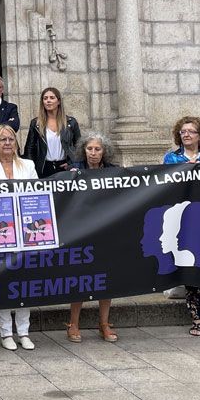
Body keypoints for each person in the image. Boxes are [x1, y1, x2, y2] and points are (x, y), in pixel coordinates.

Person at [162, 115, 200, 337]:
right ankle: (196, 318)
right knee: (189, 267)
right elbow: (166, 185)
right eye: (182, 132)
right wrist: (184, 170)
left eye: (190, 131)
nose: (186, 135)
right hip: (184, 219)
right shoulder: (171, 157)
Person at [0, 124, 37, 350]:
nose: (8, 143)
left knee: (24, 280)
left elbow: (36, 196)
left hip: (25, 230)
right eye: (3, 140)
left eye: (11, 139)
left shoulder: (28, 165)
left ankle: (24, 331)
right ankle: (6, 333)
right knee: (3, 280)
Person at [65, 132, 118, 343]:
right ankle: (73, 324)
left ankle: (104, 323)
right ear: (83, 150)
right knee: (80, 277)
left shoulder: (115, 172)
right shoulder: (74, 170)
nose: (93, 153)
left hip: (107, 232)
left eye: (98, 149)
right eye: (90, 149)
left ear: (104, 152)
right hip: (82, 232)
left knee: (106, 279)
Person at [23, 87, 81, 178]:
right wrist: (31, 168)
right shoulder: (36, 123)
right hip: (43, 168)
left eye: (52, 98)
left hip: (65, 168)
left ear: (59, 101)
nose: (48, 101)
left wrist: (72, 164)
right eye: (45, 98)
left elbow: (79, 147)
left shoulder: (70, 122)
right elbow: (29, 149)